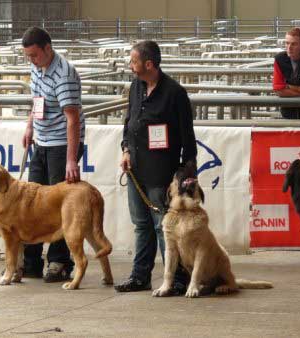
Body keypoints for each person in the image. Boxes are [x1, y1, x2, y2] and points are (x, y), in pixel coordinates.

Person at [114, 40, 197, 294]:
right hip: (136, 171)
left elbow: (188, 139)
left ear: (149, 64)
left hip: (163, 174)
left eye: (134, 61)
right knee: (142, 225)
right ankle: (140, 276)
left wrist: (185, 175)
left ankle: (177, 279)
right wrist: (126, 150)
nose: (130, 65)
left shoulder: (175, 93)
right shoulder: (135, 87)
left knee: (166, 229)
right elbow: (129, 125)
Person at [19, 26, 84, 282]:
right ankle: (31, 260)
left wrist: (71, 158)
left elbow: (73, 119)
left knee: (60, 204)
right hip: (42, 142)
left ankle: (59, 261)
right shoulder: (36, 68)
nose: (32, 60)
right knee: (33, 201)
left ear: (48, 48)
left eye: (35, 55)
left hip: (61, 144)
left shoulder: (64, 74)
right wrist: (29, 126)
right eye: (28, 56)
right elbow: (36, 100)